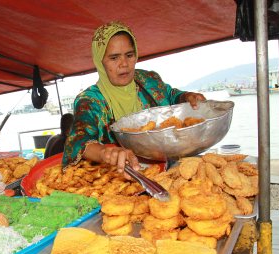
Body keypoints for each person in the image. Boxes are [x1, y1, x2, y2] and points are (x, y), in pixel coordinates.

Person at [62, 21, 206, 175]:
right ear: (100, 61)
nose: (124, 64)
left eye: (129, 55)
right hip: (122, 178)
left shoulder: (149, 80)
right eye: (114, 58)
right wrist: (106, 153)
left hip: (169, 167)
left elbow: (171, 96)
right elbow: (78, 140)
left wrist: (186, 97)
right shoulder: (89, 101)